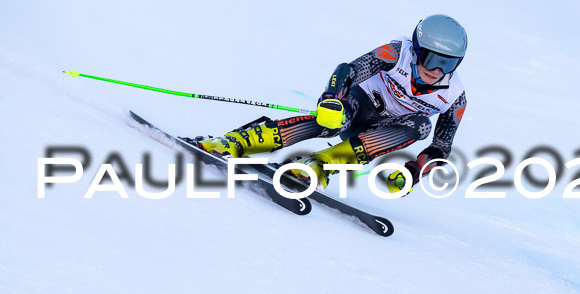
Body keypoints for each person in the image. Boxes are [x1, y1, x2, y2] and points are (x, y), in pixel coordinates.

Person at [192, 14, 468, 194]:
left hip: (383, 131)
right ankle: (235, 142)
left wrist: (414, 173)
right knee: (332, 120)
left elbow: (439, 148)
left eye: (449, 63)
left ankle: (318, 167)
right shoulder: (397, 53)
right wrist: (331, 99)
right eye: (432, 59)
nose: (438, 70)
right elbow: (349, 71)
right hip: (357, 105)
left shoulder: (454, 97)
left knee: (420, 126)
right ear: (418, 50)